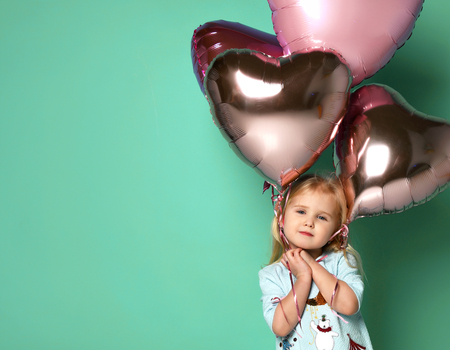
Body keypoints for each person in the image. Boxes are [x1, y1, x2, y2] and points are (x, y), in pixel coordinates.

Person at [259, 175, 373, 350]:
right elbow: (281, 327)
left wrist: (311, 265)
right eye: (301, 211)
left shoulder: (342, 261)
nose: (309, 222)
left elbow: (349, 306)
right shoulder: (272, 275)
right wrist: (303, 277)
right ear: (281, 217)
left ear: (336, 230)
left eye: (321, 217)